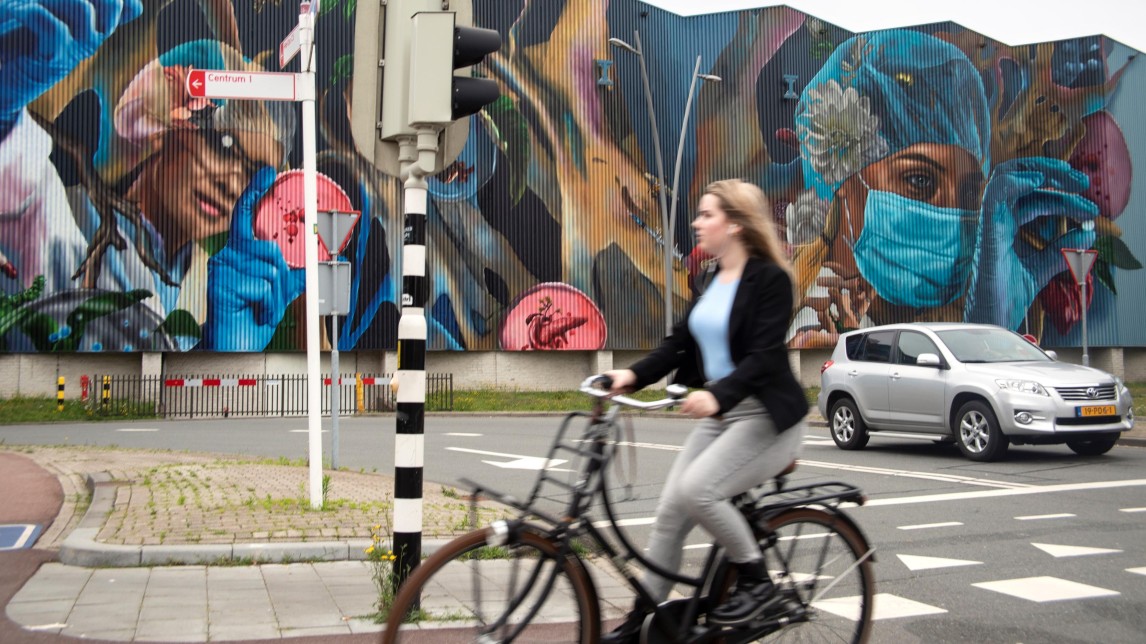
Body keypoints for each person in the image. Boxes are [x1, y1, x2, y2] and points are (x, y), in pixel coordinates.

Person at [785, 30, 1098, 347]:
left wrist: (985, 333)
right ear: (845, 180)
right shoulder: (818, 328)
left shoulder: (887, 324)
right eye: (919, 180)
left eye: (968, 193)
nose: (950, 211)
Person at [601, 179, 809, 642]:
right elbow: (680, 344)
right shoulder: (712, 280)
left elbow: (763, 355)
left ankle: (757, 583)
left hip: (766, 418)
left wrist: (718, 395)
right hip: (724, 418)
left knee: (700, 490)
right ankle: (641, 622)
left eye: (706, 214)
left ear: (734, 224)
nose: (696, 223)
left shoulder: (769, 280)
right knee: (671, 514)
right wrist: (629, 376)